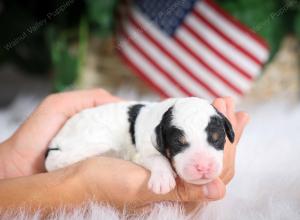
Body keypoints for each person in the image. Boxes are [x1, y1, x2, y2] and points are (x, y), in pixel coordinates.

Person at [0, 89, 249, 215]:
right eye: (181, 144)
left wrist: (12, 163)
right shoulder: (155, 130)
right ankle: (60, 159)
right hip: (80, 139)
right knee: (91, 144)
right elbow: (146, 152)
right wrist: (77, 184)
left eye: (215, 141)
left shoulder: (169, 119)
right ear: (162, 140)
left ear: (227, 132)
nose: (204, 164)